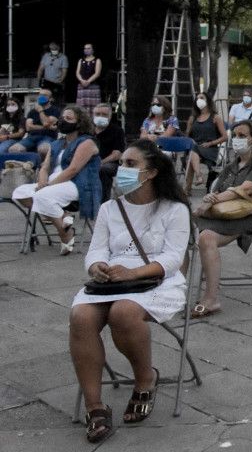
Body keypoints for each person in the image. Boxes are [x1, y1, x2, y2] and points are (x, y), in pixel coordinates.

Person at [69, 139, 190, 442]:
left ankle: (145, 379)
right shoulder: (110, 209)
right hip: (112, 278)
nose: (121, 169)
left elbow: (174, 258)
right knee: (81, 316)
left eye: (130, 164)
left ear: (151, 173)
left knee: (123, 312)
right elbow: (95, 250)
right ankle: (95, 407)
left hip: (155, 278)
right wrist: (97, 266)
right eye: (121, 163)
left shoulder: (174, 209)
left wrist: (133, 272)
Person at [192, 121, 252, 319]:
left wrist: (210, 201)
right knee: (189, 232)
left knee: (204, 237)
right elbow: (216, 190)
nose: (237, 140)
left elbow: (246, 189)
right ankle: (174, 293)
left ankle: (211, 298)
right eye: (235, 135)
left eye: (242, 135)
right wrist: (209, 199)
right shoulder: (231, 166)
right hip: (225, 214)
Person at [12, 104, 101, 254]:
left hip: (78, 184)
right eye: (62, 118)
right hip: (53, 183)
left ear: (79, 123)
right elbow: (45, 167)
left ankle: (64, 234)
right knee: (20, 193)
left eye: (69, 118)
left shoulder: (87, 142)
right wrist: (41, 182)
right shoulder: (56, 144)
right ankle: (64, 218)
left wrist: (48, 186)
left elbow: (73, 170)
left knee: (42, 195)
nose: (63, 121)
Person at [183, 93, 225, 191]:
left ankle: (191, 184)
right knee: (193, 150)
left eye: (202, 98)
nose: (199, 100)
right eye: (197, 98)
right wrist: (188, 127)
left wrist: (210, 143)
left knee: (192, 153)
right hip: (196, 147)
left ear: (208, 101)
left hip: (210, 148)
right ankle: (197, 178)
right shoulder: (193, 118)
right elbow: (187, 136)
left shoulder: (215, 117)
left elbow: (225, 137)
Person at [91, 104, 126, 207]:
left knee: (103, 170)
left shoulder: (117, 131)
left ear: (110, 116)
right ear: (93, 115)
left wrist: (100, 162)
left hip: (109, 163)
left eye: (104, 114)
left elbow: (117, 154)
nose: (100, 116)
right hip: (86, 161)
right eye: (98, 114)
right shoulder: (87, 130)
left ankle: (102, 204)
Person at [10, 88, 60, 154]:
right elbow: (28, 127)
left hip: (47, 137)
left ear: (50, 99)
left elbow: (45, 123)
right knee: (14, 149)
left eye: (44, 95)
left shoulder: (55, 110)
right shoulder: (32, 111)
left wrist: (40, 111)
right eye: (40, 95)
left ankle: (43, 164)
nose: (41, 96)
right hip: (31, 137)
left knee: (44, 150)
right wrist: (48, 127)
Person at [75, 43, 103, 112]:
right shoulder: (81, 60)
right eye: (85, 48)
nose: (86, 50)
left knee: (94, 107)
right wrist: (81, 80)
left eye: (88, 48)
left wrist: (88, 81)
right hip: (82, 86)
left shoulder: (97, 60)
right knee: (81, 107)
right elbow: (77, 72)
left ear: (93, 50)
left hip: (93, 86)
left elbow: (97, 73)